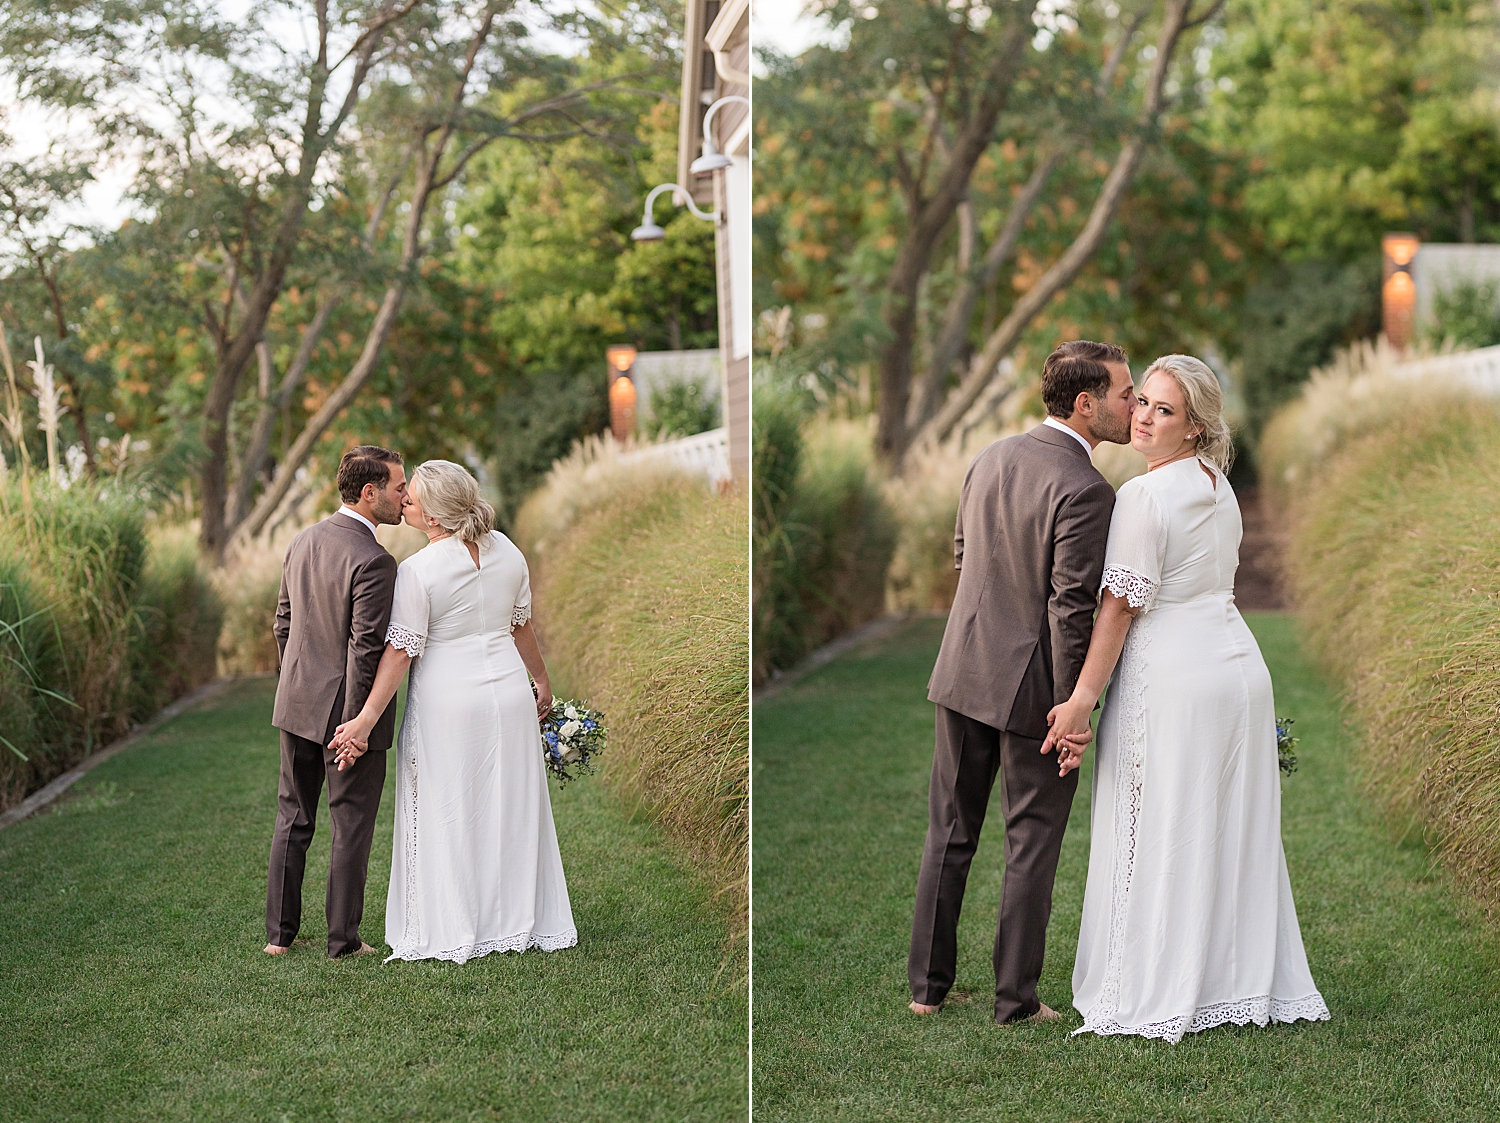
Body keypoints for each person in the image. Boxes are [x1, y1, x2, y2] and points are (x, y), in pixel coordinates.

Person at [1045, 354, 1329, 1042]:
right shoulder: (1216, 484)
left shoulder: (1144, 497)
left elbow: (1118, 608)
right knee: (1227, 829)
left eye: (1163, 409)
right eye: (1141, 400)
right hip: (1238, 672)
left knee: (1158, 825)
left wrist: (1082, 698)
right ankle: (1229, 981)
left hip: (1173, 676)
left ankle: (1160, 984)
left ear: (1196, 426)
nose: (1142, 416)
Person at [909, 341, 1137, 1024]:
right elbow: (1070, 608)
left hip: (962, 669)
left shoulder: (990, 457)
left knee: (949, 831)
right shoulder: (1089, 489)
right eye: (1124, 394)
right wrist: (1072, 707)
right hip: (1033, 690)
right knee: (1030, 840)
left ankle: (926, 989)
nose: (1133, 405)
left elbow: (962, 556)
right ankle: (1015, 999)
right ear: (1085, 402)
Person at [330, 459, 577, 963]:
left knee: (449, 812)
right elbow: (520, 626)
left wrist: (364, 720)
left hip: (448, 702)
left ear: (437, 517)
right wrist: (542, 682)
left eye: (413, 498)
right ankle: (515, 920)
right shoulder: (507, 550)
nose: (404, 502)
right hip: (509, 693)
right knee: (510, 808)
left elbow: (401, 652)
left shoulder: (418, 571)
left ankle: (456, 924)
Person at [265, 445, 406, 958]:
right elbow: (364, 652)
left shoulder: (304, 540)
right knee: (350, 824)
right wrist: (356, 727)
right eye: (398, 487)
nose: (404, 496)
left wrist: (297, 683)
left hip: (297, 704)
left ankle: (278, 938)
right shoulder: (374, 560)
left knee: (293, 817)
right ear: (369, 494)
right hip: (346, 716)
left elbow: (283, 621)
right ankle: (342, 942)